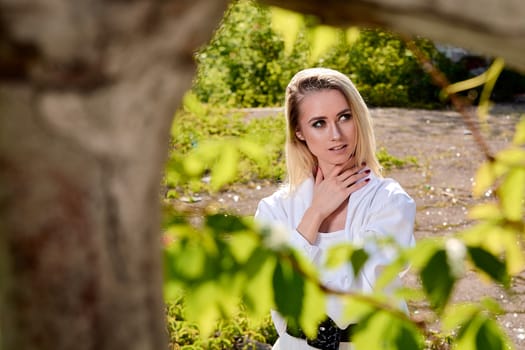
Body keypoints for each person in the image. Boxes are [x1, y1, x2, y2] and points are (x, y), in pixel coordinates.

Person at [254, 68, 416, 350]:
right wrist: (315, 213)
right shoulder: (274, 209)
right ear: (299, 132)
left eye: (344, 117)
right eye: (319, 123)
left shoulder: (390, 201)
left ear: (358, 118)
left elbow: (362, 290)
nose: (336, 134)